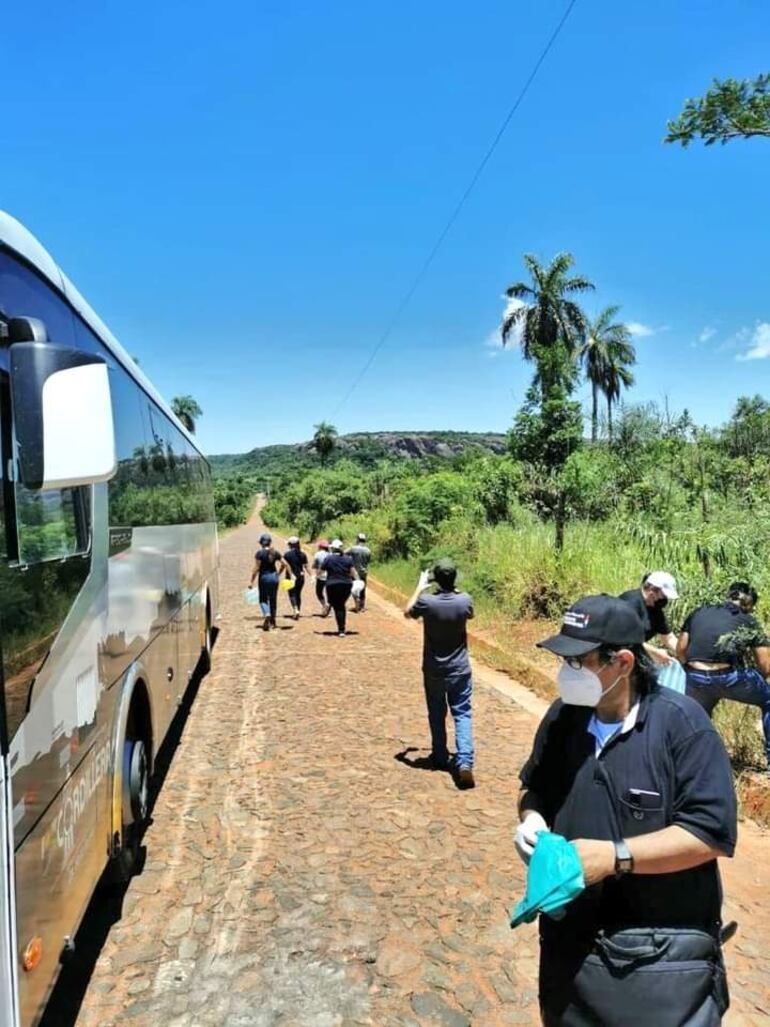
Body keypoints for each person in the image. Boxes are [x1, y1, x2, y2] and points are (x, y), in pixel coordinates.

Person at [515, 594, 736, 1026]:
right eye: (564, 661)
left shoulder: (683, 727)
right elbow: (533, 787)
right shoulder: (563, 719)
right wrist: (531, 820)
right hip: (568, 948)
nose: (565, 672)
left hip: (657, 959)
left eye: (578, 662)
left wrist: (614, 856)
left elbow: (708, 834)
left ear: (622, 663)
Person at [679, 581, 770, 770]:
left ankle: (694, 765)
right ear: (748, 603)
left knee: (696, 716)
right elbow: (766, 666)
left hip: (695, 676)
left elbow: (681, 650)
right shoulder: (748, 621)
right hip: (729, 678)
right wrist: (752, 677)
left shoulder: (699, 611)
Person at [404, 558, 475, 788]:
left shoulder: (427, 602)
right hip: (460, 668)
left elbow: (407, 612)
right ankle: (464, 761)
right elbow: (470, 614)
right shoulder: (465, 600)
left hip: (434, 668)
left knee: (436, 713)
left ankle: (440, 755)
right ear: (454, 578)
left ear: (435, 579)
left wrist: (420, 587)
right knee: (462, 713)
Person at [618, 571, 679, 664]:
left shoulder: (655, 609)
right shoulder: (629, 603)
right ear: (652, 590)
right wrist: (656, 653)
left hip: (633, 655)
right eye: (663, 596)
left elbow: (669, 638)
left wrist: (685, 654)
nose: (664, 600)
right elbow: (627, 639)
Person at [248, 532, 290, 631]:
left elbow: (256, 568)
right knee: (273, 599)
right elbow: (285, 564)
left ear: (261, 543)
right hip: (274, 578)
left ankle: (267, 613)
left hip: (264, 578)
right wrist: (279, 573)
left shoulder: (259, 553)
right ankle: (273, 621)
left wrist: (251, 581)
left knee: (263, 599)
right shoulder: (275, 552)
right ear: (270, 542)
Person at [323, 539, 358, 637]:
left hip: (332, 584)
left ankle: (329, 604)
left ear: (333, 548)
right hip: (346, 584)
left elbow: (321, 570)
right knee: (341, 605)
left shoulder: (328, 558)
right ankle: (341, 629)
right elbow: (353, 573)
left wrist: (317, 577)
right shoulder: (348, 559)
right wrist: (358, 581)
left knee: (337, 606)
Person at [283, 535, 309, 620]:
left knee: (291, 594)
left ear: (291, 545)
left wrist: (278, 573)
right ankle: (298, 610)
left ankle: (295, 609)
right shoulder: (302, 554)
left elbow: (283, 566)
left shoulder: (287, 554)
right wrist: (311, 575)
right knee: (298, 594)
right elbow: (306, 566)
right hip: (300, 577)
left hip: (289, 577)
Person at [346, 533, 372, 612]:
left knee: (353, 588)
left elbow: (344, 553)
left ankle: (356, 604)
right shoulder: (368, 550)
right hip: (363, 572)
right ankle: (362, 606)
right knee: (362, 589)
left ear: (357, 539)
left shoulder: (353, 548)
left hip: (355, 573)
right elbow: (368, 561)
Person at [311, 539, 330, 615]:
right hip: (330, 576)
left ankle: (324, 604)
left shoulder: (317, 554)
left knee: (319, 592)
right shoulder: (330, 554)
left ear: (320, 547)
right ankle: (328, 606)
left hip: (320, 576)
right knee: (329, 593)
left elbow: (314, 565)